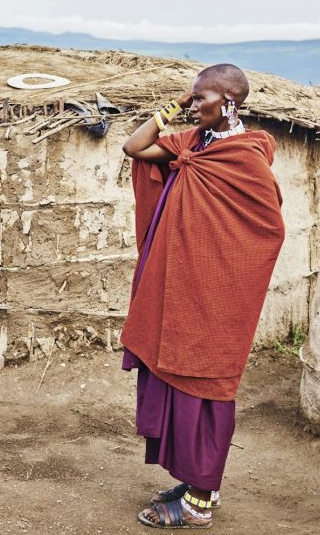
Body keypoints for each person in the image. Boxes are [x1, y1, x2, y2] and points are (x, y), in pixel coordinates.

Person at [120, 63, 285, 529]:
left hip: (215, 299)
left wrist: (221, 275)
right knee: (171, 373)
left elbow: (267, 231)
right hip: (178, 291)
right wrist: (171, 109)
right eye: (190, 100)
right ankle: (191, 480)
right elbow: (134, 147)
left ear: (229, 103)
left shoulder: (247, 158)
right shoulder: (191, 144)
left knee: (206, 385)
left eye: (201, 100)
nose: (193, 107)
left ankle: (200, 503)